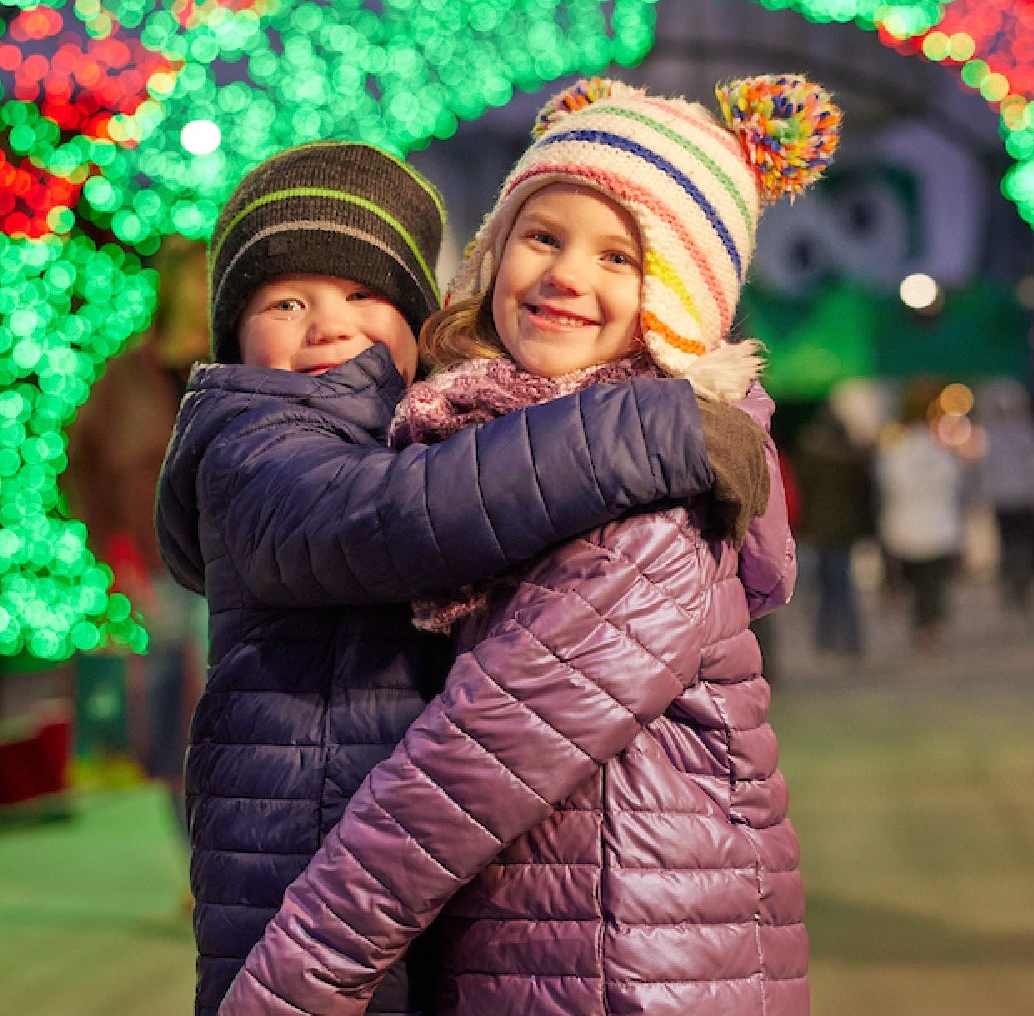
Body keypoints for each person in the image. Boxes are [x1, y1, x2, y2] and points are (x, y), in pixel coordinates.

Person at [222, 74, 836, 1015]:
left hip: (628, 966)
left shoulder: (655, 500)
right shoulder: (493, 440)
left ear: (676, 301)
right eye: (542, 236)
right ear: (491, 253)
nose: (566, 276)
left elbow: (469, 767)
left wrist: (291, 986)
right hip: (566, 952)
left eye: (620, 258)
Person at [63, 236, 210, 820]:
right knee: (172, 727)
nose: (204, 293)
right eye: (195, 279)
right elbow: (82, 473)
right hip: (158, 574)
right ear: (170, 288)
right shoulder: (125, 379)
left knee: (221, 721)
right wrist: (115, 559)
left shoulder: (242, 363)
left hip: (235, 568)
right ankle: (195, 861)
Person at [875, 378, 966, 653]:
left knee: (918, 585)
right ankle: (934, 626)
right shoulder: (941, 450)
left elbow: (889, 486)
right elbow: (954, 484)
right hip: (939, 528)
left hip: (908, 528)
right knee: (934, 584)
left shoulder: (896, 450)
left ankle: (924, 627)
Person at [791, 398, 874, 657]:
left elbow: (801, 492)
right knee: (843, 584)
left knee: (825, 585)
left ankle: (826, 637)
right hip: (846, 529)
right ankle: (850, 639)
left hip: (818, 528)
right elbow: (866, 496)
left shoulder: (810, 457)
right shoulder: (854, 459)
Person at [971, 380, 1034, 613]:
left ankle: (1024, 586)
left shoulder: (1030, 432)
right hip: (1004, 500)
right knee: (1009, 545)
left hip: (1025, 499)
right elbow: (986, 469)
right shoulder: (992, 434)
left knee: (1024, 545)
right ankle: (1013, 587)